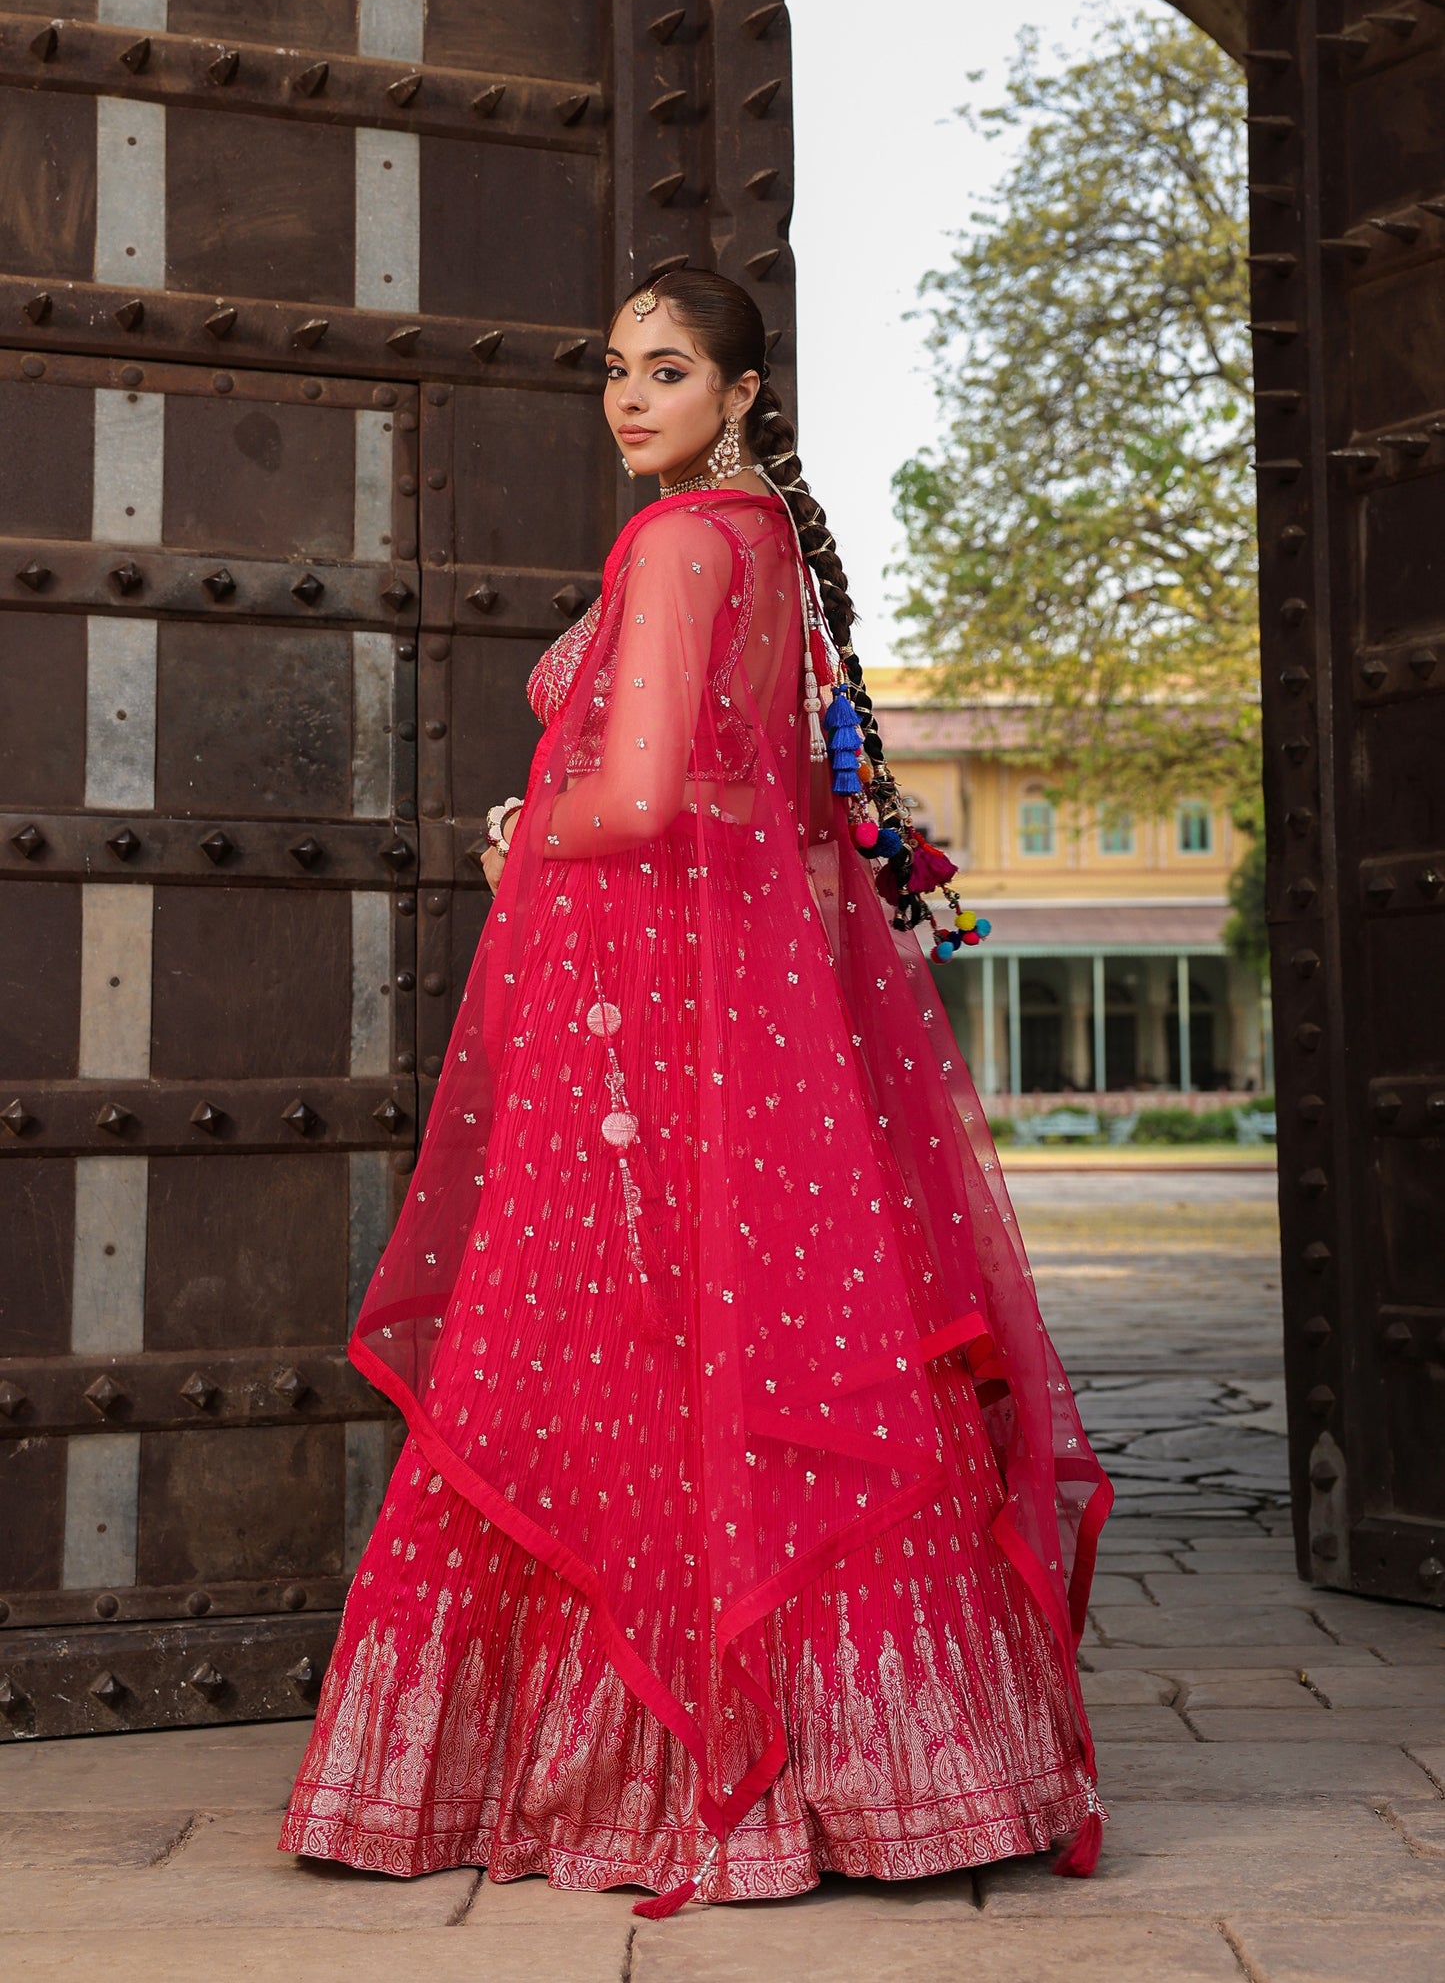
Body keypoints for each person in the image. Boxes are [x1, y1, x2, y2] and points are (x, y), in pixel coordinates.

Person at [278, 269, 1112, 1909]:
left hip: (642, 1023)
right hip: (728, 1021)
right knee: (765, 1342)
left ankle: (635, 1775)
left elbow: (647, 792)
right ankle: (898, 1781)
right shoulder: (762, 545)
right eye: (612, 369)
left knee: (608, 1346)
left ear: (738, 393)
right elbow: (768, 802)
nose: (629, 396)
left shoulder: (671, 545)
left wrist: (529, 835)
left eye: (667, 371)